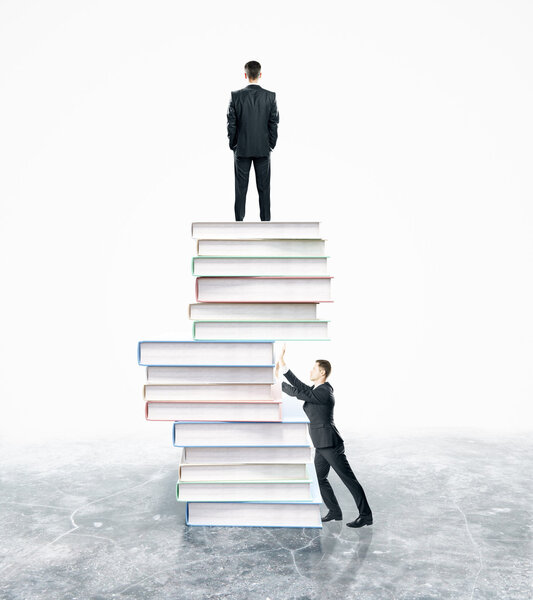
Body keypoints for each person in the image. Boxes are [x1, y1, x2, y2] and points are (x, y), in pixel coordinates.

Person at [276, 345, 373, 527]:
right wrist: (283, 364)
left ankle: (366, 515)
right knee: (319, 478)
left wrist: (277, 384)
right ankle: (335, 511)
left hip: (330, 445)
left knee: (349, 479)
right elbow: (301, 387)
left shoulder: (324, 391)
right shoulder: (317, 390)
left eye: (314, 368)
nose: (310, 370)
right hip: (322, 444)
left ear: (322, 372)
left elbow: (297, 392)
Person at [227, 60, 279, 221]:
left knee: (240, 189)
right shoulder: (270, 96)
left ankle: (238, 223)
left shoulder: (235, 96)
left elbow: (231, 123)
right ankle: (266, 224)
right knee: (264, 189)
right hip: (263, 149)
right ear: (260, 75)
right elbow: (274, 123)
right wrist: (270, 144)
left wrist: (234, 144)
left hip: (242, 148)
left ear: (245, 75)